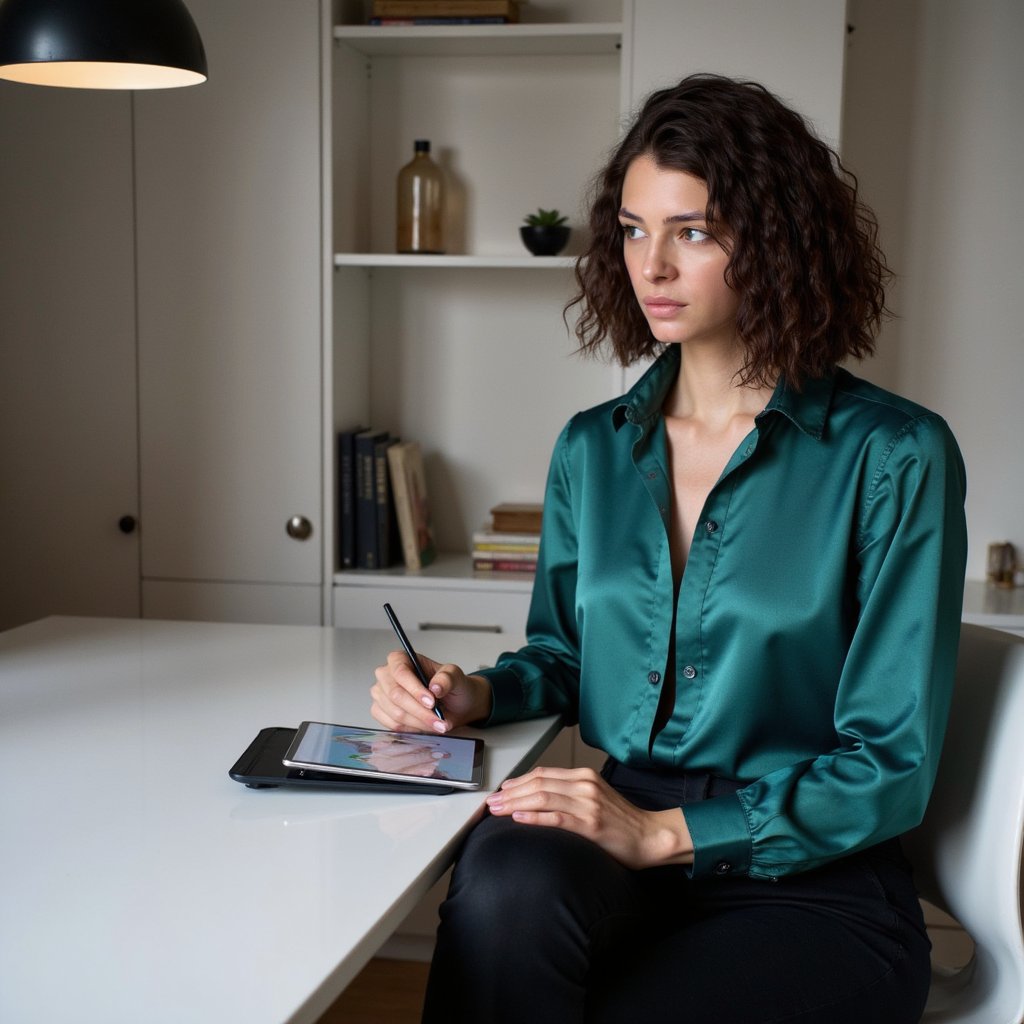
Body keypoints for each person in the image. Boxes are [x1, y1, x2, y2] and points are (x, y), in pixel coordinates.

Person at [370, 74, 968, 1024]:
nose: (652, 265)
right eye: (634, 228)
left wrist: (664, 833)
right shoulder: (593, 448)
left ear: (776, 243)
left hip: (814, 877)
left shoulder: (893, 456)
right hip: (616, 822)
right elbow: (566, 653)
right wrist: (476, 691)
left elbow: (890, 761)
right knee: (502, 893)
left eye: (691, 231)